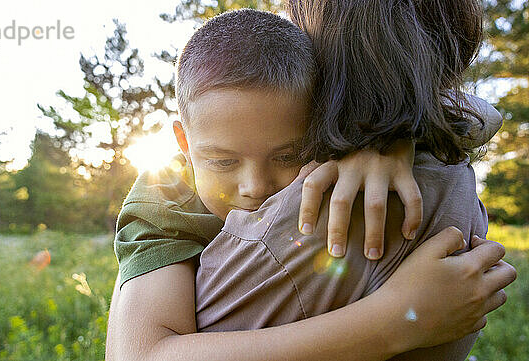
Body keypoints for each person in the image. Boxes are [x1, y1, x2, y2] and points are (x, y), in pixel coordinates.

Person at [105, 9, 516, 361]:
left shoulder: (338, 138)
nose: (254, 185)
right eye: (223, 161)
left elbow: (484, 114)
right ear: (184, 143)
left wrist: (387, 136)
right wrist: (397, 319)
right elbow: (140, 355)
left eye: (287, 157)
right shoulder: (165, 197)